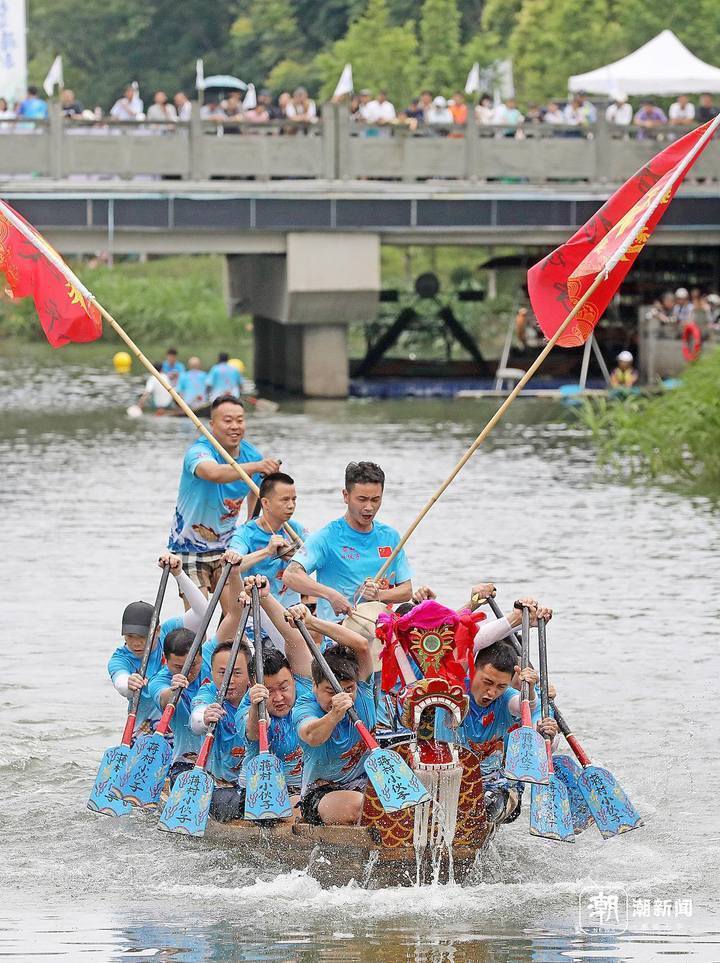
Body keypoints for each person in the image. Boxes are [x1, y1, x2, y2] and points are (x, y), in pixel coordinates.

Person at [168, 395, 280, 594]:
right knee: (199, 616)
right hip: (190, 546)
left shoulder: (252, 455)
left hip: (227, 546)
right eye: (227, 421)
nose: (235, 426)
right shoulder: (199, 451)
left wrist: (250, 526)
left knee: (234, 613)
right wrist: (256, 466)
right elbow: (213, 473)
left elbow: (257, 491)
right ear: (212, 424)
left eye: (240, 420)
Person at [283, 461, 413, 621]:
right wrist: (331, 596)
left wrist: (380, 595)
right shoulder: (327, 536)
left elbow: (407, 591)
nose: (369, 507)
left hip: (380, 630)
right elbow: (290, 575)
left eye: (375, 500)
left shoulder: (390, 537)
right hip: (339, 630)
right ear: (346, 496)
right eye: (362, 499)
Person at [434, 640, 547, 822]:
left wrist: (530, 690)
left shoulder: (507, 698)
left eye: (501, 686)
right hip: (447, 779)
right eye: (487, 682)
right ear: (472, 671)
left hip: (494, 786)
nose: (492, 692)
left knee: (484, 805)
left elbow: (524, 707)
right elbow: (464, 639)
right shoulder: (453, 689)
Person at [107, 554, 210, 738]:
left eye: (143, 637)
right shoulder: (119, 658)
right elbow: (121, 683)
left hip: (180, 729)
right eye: (130, 637)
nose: (137, 643)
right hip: (144, 732)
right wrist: (128, 684)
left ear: (157, 631)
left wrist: (179, 574)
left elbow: (203, 613)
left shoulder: (169, 633)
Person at [293, 604, 375, 825]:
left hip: (366, 783)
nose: (343, 698)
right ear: (314, 686)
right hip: (321, 794)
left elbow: (362, 645)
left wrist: (311, 622)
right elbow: (312, 735)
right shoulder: (305, 706)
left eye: (348, 690)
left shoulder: (364, 690)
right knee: (361, 806)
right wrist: (334, 715)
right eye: (331, 692)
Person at [189, 635, 253, 821]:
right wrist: (204, 718)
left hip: (251, 784)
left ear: (250, 674)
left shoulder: (257, 695)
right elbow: (196, 720)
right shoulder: (209, 693)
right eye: (222, 673)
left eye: (237, 673)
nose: (230, 680)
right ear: (212, 673)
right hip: (219, 787)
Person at [224, 472, 307, 604]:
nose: (291, 505)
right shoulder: (245, 533)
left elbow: (318, 559)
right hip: (256, 612)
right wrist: (267, 551)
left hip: (290, 614)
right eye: (285, 500)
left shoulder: (296, 530)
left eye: (294, 499)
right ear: (265, 503)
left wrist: (297, 557)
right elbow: (230, 567)